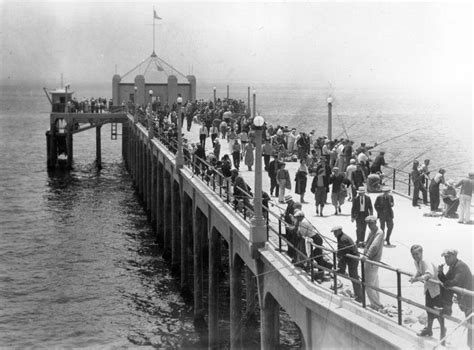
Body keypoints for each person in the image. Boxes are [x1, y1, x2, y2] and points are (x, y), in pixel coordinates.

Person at [409, 245, 447, 340]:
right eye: (413, 254)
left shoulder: (425, 261)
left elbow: (429, 274)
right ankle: (429, 329)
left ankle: (443, 331)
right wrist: (414, 277)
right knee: (428, 309)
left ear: (421, 253)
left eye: (417, 254)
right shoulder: (416, 262)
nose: (415, 256)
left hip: (437, 289)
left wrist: (418, 279)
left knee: (438, 311)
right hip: (429, 289)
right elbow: (419, 271)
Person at [438, 249, 473, 348]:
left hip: (470, 297)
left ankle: (471, 346)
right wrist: (440, 273)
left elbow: (455, 282)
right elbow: (447, 281)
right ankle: (470, 345)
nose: (446, 260)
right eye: (445, 257)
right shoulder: (453, 266)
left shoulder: (460, 266)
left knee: (471, 322)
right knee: (470, 322)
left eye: (448, 257)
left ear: (455, 256)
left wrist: (446, 283)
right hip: (465, 297)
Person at [331, 226, 363, 302]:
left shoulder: (343, 238)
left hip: (353, 258)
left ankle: (360, 296)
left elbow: (343, 251)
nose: (334, 234)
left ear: (339, 231)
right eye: (333, 233)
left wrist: (338, 255)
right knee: (353, 276)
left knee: (354, 277)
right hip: (349, 258)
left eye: (335, 232)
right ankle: (341, 270)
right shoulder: (340, 237)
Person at [362, 215, 385, 311]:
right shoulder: (371, 231)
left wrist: (366, 256)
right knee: (374, 283)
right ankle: (377, 303)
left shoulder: (379, 232)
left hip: (372, 261)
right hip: (371, 261)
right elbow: (369, 244)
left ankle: (376, 304)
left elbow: (374, 246)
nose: (369, 225)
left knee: (368, 284)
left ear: (375, 223)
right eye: (368, 224)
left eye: (371, 223)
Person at [283, 196, 302, 262]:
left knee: (292, 240)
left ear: (290, 200)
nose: (286, 202)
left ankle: (292, 254)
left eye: (287, 201)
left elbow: (294, 218)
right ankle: (290, 252)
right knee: (289, 238)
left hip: (291, 226)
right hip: (288, 225)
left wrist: (286, 216)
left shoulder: (294, 206)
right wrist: (284, 215)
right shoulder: (289, 205)